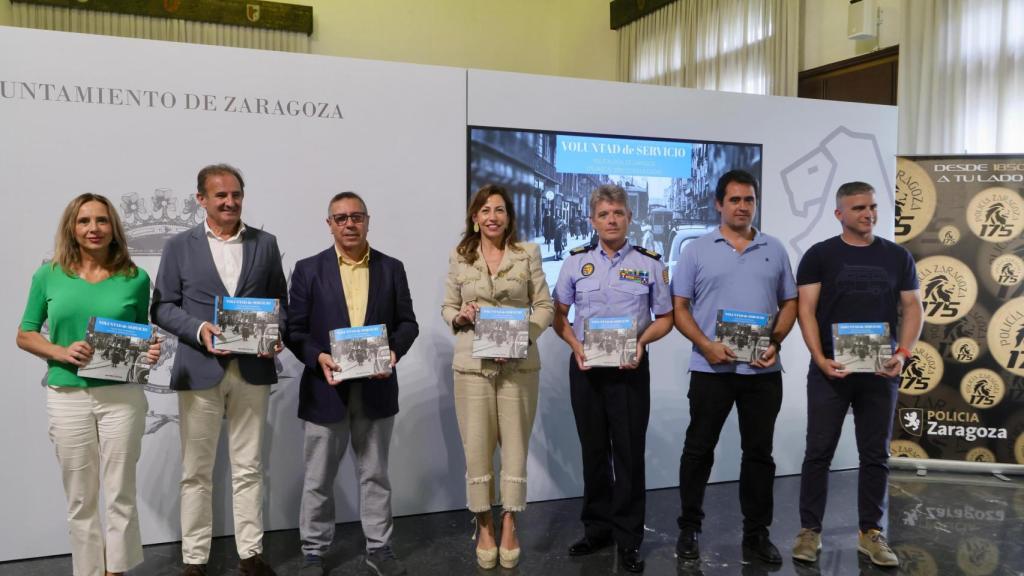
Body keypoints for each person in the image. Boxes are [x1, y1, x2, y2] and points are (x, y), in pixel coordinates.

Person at [151, 164, 287, 576]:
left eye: (236, 194)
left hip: (252, 369)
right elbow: (161, 306)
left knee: (249, 467)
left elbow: (279, 303)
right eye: (220, 195)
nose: (230, 202)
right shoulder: (179, 246)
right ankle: (195, 559)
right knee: (196, 471)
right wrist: (197, 329)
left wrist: (274, 333)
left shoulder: (266, 243)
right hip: (199, 368)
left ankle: (251, 553)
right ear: (202, 200)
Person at [17, 193, 160, 576]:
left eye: (101, 220)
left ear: (114, 228)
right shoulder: (48, 274)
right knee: (80, 497)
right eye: (84, 221)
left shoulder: (136, 277)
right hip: (67, 394)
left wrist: (149, 351)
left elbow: (139, 336)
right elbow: (25, 334)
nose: (93, 229)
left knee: (120, 490)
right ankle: (88, 571)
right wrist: (60, 352)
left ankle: (117, 570)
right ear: (72, 228)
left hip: (122, 396)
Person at [790, 181, 923, 568]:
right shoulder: (819, 255)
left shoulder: (898, 257)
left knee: (876, 455)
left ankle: (871, 533)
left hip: (880, 373)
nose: (868, 213)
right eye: (859, 208)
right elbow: (806, 310)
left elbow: (912, 308)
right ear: (839, 214)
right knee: (818, 452)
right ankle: (809, 530)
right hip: (832, 371)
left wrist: (904, 352)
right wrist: (818, 357)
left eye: (872, 207)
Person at [286, 191, 419, 576]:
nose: (349, 224)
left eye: (356, 217)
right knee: (317, 478)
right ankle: (313, 551)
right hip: (325, 388)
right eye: (340, 218)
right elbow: (294, 330)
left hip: (376, 388)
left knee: (375, 473)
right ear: (329, 224)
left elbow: (408, 323)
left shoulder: (392, 268)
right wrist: (318, 357)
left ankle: (379, 547)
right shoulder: (308, 269)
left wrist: (393, 352)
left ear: (367, 220)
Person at [670, 170, 798, 565]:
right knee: (698, 451)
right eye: (735, 200)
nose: (743, 207)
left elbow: (790, 303)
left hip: (761, 374)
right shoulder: (696, 250)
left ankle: (756, 534)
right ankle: (689, 529)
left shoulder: (773, 249)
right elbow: (679, 309)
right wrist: (706, 346)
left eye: (749, 200)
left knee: (759, 454)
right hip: (711, 371)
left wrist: (775, 343)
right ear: (719, 204)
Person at [552, 184, 673, 573]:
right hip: (587, 370)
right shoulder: (574, 263)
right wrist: (575, 345)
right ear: (593, 220)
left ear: (629, 218)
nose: (611, 220)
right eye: (604, 214)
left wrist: (641, 344)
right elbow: (560, 318)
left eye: (618, 213)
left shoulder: (649, 263)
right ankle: (597, 529)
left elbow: (666, 318)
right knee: (593, 452)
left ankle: (629, 538)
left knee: (629, 455)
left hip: (630, 371)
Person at [441, 184, 553, 570]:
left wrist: (522, 337)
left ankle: (509, 522)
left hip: (518, 367)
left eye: (500, 210)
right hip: (472, 367)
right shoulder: (460, 256)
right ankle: (483, 523)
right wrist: (459, 316)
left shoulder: (529, 254)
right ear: (475, 216)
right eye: (485, 210)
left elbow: (544, 307)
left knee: (516, 449)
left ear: (509, 217)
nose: (493, 216)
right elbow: (448, 306)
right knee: (476, 448)